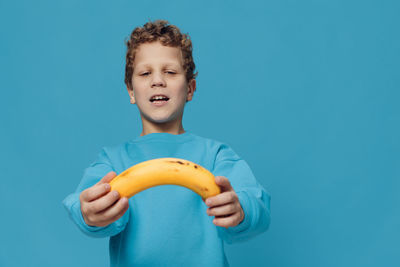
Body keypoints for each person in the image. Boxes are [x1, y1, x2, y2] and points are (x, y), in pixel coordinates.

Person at [63, 19, 271, 266]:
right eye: (145, 73)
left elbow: (256, 203)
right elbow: (81, 202)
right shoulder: (112, 160)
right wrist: (88, 212)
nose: (157, 81)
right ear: (131, 91)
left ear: (190, 89)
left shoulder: (215, 155)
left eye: (170, 72)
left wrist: (241, 209)